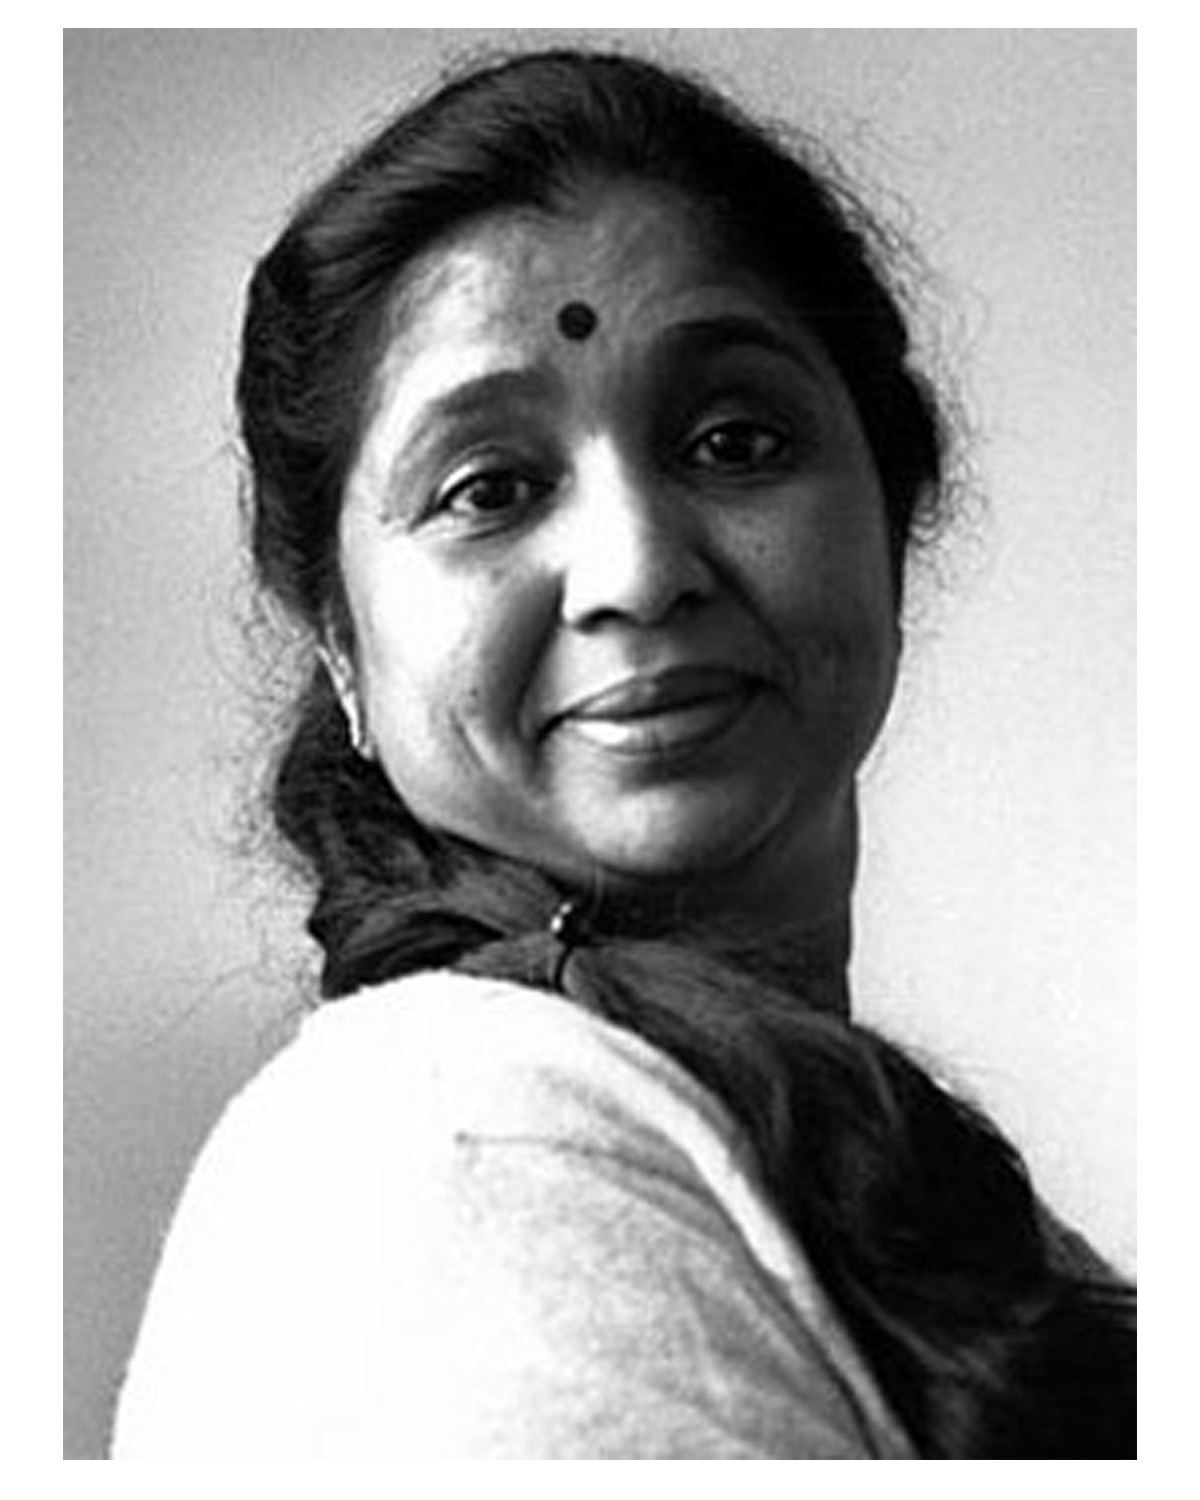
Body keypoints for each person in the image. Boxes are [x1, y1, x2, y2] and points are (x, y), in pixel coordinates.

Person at [112, 48, 1134, 1459]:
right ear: (341, 646)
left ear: (890, 518)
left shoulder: (913, 1200)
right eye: (489, 487)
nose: (639, 572)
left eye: (734, 440)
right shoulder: (454, 1149)